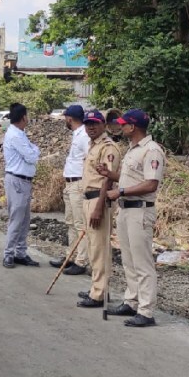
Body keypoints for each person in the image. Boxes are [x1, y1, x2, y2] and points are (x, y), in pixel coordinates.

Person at [101, 108, 166, 328]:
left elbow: (151, 183)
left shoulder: (151, 150)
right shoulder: (132, 149)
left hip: (140, 210)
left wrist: (120, 191)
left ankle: (146, 311)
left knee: (142, 262)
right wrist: (112, 176)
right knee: (128, 259)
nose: (120, 126)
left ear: (133, 126)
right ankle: (132, 301)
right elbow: (131, 178)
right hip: (127, 209)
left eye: (124, 124)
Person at [75, 109, 122, 308]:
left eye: (94, 123)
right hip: (88, 199)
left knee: (99, 248)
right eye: (87, 124)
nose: (90, 127)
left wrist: (99, 208)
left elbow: (108, 180)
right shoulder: (92, 145)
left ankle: (99, 293)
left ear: (103, 125)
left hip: (98, 200)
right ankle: (98, 287)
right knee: (93, 246)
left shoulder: (108, 147)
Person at [50, 104, 91, 275]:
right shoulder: (77, 134)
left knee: (80, 224)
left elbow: (89, 160)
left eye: (65, 117)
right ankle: (71, 256)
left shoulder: (84, 136)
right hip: (70, 183)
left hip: (78, 184)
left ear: (70, 118)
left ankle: (81, 261)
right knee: (70, 222)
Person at [2, 103, 40, 269]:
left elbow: (31, 154)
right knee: (16, 220)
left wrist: (33, 150)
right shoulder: (16, 136)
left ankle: (20, 253)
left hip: (23, 181)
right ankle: (9, 254)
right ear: (23, 117)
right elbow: (32, 156)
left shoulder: (20, 133)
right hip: (17, 180)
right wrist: (35, 149)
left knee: (24, 220)